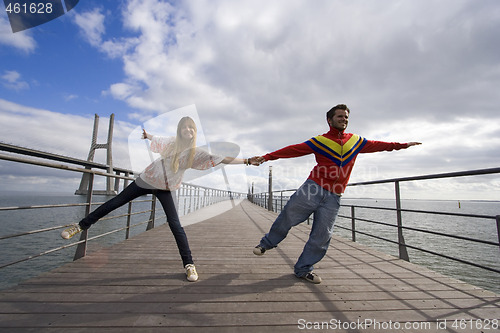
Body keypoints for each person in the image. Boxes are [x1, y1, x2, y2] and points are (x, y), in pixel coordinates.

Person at [61, 116, 260, 282]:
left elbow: (222, 158)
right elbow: (158, 138)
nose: (188, 130)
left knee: (175, 225)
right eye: (184, 127)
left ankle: (189, 264)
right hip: (146, 180)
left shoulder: (196, 153)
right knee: (115, 202)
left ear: (195, 131)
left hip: (166, 188)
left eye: (191, 127)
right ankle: (80, 225)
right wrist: (148, 136)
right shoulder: (171, 143)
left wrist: (248, 161)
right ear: (180, 130)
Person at [252, 104, 421, 284]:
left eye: (346, 117)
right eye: (340, 116)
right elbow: (293, 150)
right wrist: (267, 157)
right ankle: (266, 244)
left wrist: (402, 145)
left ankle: (303, 269)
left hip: (334, 196)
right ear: (329, 120)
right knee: (288, 216)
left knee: (322, 235)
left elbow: (379, 145)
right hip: (313, 188)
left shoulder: (355, 141)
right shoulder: (320, 141)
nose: (344, 119)